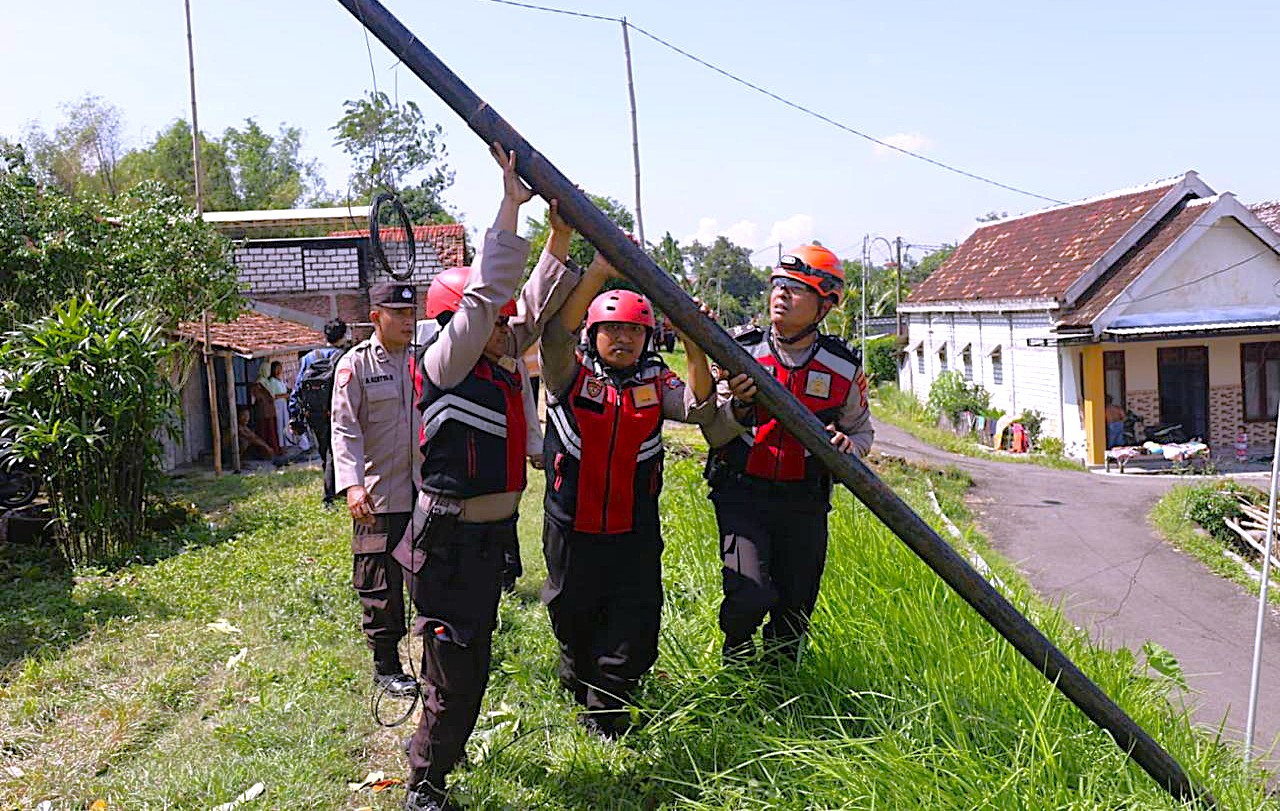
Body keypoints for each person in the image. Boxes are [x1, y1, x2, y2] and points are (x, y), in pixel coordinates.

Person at [394, 146, 580, 811]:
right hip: (447, 544)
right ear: (463, 321)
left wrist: (557, 236)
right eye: (497, 322)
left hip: (485, 542)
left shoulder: (501, 358)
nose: (511, 328)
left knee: (468, 662)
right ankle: (425, 785)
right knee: (455, 669)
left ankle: (444, 745)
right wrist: (509, 204)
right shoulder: (449, 359)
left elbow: (527, 301)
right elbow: (492, 292)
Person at [538, 255, 716, 738]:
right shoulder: (567, 375)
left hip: (633, 528)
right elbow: (554, 334)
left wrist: (694, 342)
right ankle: (577, 671)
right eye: (611, 329)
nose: (623, 339)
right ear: (592, 334)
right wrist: (597, 271)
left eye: (635, 331)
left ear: (649, 338)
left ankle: (608, 710)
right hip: (571, 523)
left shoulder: (657, 380)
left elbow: (699, 408)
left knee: (634, 616)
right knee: (571, 611)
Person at [702, 244, 873, 668]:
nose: (781, 295)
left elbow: (862, 430)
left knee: (794, 608)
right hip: (742, 495)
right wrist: (739, 408)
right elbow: (714, 432)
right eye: (779, 285)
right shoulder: (737, 352)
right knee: (748, 594)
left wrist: (851, 448)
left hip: (805, 501)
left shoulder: (844, 367)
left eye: (796, 289)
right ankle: (735, 670)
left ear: (824, 305)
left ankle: (781, 688)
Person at [331, 282, 422, 705]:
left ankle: (437, 658)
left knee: (431, 578)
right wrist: (352, 484)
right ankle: (386, 665)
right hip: (379, 496)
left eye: (411, 313)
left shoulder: (424, 361)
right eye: (398, 314)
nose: (408, 320)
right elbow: (344, 429)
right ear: (375, 318)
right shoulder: (356, 365)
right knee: (380, 586)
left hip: (424, 493)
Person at [289, 318, 348, 507]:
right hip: (337, 412)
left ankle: (333, 489)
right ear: (344, 335)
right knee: (335, 451)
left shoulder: (309, 357)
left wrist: (294, 415)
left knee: (325, 450)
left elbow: (297, 388)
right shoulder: (345, 357)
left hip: (314, 413)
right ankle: (330, 496)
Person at [251, 366, 281, 456]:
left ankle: (274, 451)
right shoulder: (259, 384)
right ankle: (265, 453)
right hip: (263, 412)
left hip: (269, 411)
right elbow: (258, 398)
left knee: (272, 431)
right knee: (264, 432)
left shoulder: (266, 382)